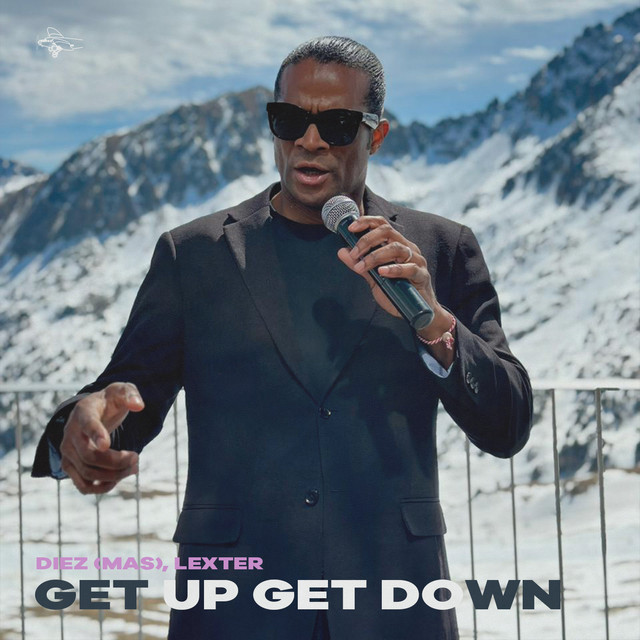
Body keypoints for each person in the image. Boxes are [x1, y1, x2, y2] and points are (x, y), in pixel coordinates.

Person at [32, 36, 533, 640]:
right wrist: (84, 424)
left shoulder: (439, 249)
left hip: (393, 600)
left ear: (376, 135)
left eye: (337, 125)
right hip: (234, 606)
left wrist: (434, 324)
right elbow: (127, 395)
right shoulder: (194, 255)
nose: (309, 141)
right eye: (289, 120)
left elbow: (507, 425)